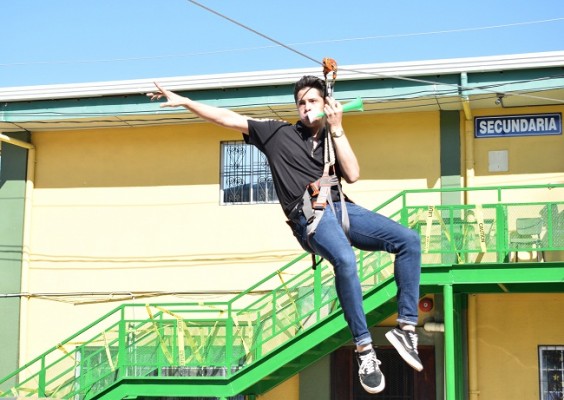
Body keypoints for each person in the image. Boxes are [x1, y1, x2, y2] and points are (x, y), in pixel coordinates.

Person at [148, 75, 423, 394]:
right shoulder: (277, 133)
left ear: (324, 105)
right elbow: (227, 118)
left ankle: (406, 328)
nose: (306, 108)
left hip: (342, 208)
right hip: (310, 215)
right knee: (345, 260)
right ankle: (364, 350)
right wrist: (185, 102)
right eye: (301, 103)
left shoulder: (333, 139)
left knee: (409, 241)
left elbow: (354, 174)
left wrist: (338, 128)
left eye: (313, 102)